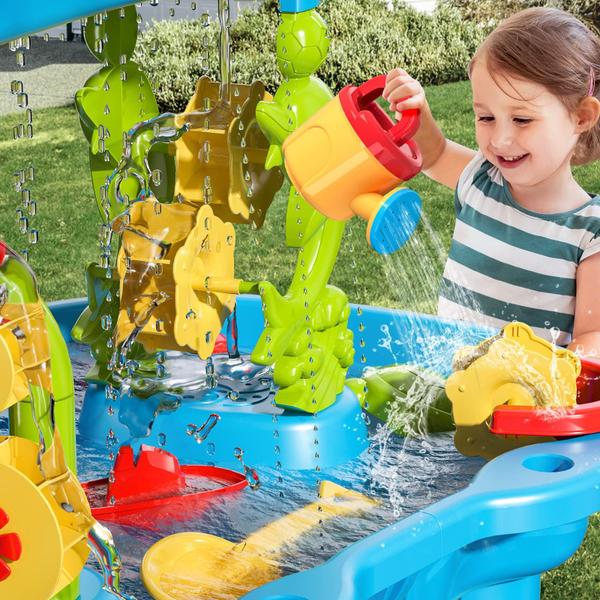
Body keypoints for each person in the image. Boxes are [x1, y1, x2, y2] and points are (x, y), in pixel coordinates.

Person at [383, 7, 600, 356]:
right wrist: (417, 113)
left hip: (526, 405)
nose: (500, 139)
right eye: (486, 116)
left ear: (581, 117)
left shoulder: (589, 234)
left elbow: (593, 339)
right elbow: (435, 155)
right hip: (450, 387)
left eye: (522, 119)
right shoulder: (481, 180)